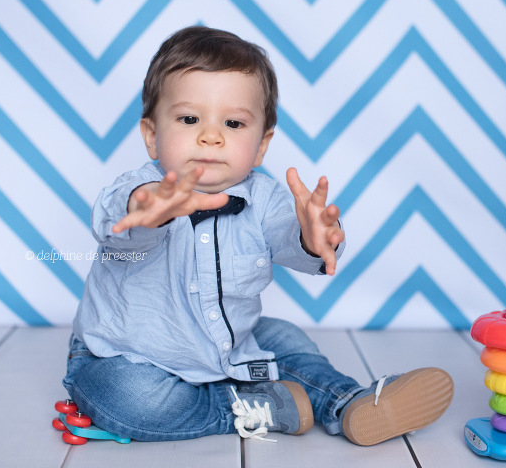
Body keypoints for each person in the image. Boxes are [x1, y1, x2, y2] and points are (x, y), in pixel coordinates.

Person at [63, 26, 453, 445]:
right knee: (124, 396)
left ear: (262, 145)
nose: (211, 136)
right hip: (130, 356)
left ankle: (348, 401)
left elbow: (289, 239)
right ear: (152, 136)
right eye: (189, 119)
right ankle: (246, 405)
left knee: (287, 339)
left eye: (233, 123)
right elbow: (114, 221)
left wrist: (312, 239)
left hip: (229, 345)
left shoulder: (265, 198)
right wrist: (146, 211)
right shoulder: (139, 190)